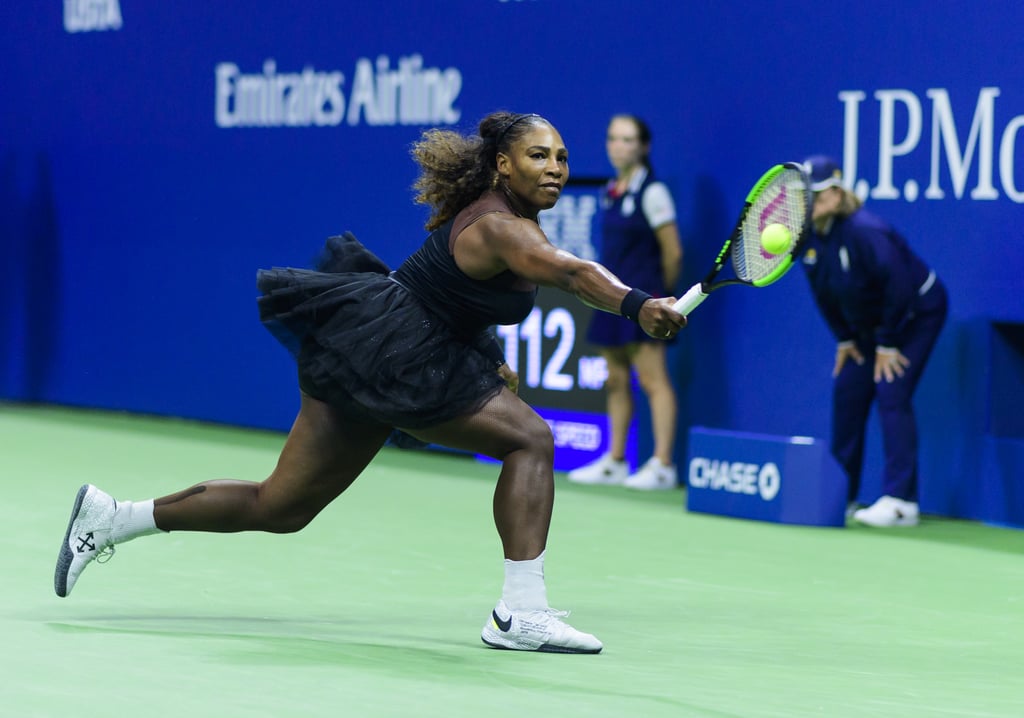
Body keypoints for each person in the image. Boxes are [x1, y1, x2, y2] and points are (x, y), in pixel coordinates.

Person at [53, 111, 687, 654]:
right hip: (396, 353)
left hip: (376, 346)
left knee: (282, 507)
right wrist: (638, 305)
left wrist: (488, 357)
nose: (555, 167)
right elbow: (572, 274)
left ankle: (114, 519)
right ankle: (520, 612)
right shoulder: (501, 224)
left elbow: (457, 299)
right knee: (531, 441)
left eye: (562, 157)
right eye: (538, 155)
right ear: (502, 164)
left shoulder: (510, 217)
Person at [801, 155, 948, 528]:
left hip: (915, 314)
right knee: (849, 391)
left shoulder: (866, 231)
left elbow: (898, 288)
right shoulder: (810, 238)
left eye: (816, 195)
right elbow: (823, 295)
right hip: (869, 325)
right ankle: (840, 496)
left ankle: (902, 502)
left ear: (836, 194)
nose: (808, 203)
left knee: (891, 388)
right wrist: (845, 338)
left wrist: (887, 343)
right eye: (803, 197)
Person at [568, 115, 683, 491]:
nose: (620, 146)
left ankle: (663, 465)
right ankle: (615, 461)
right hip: (613, 296)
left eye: (629, 140)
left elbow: (673, 252)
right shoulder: (611, 189)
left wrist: (660, 298)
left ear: (643, 147)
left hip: (645, 299)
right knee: (616, 379)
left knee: (652, 379)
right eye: (614, 138)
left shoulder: (653, 192)